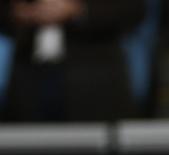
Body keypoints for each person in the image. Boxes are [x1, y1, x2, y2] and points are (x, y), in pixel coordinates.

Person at [0, 0, 145, 122]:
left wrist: (77, 10)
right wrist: (17, 13)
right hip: (28, 80)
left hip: (94, 83)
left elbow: (134, 8)